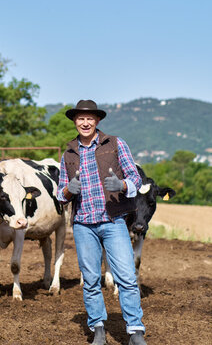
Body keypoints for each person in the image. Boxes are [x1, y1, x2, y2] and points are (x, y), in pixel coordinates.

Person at [56, 100, 146, 345]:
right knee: (91, 279)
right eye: (80, 119)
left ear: (97, 121)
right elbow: (59, 194)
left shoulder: (116, 144)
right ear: (75, 122)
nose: (85, 123)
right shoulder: (68, 152)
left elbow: (135, 178)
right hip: (83, 225)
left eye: (90, 119)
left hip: (113, 221)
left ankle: (135, 331)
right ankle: (98, 329)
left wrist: (123, 185)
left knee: (126, 277)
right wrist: (67, 191)